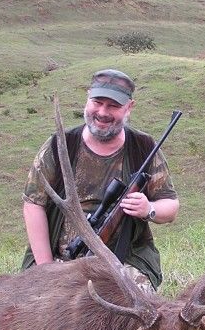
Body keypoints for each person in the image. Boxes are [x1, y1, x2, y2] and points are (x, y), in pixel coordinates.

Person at [21, 69, 179, 292]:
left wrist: (149, 208)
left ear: (129, 107)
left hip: (125, 262)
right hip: (58, 259)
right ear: (87, 99)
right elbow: (33, 205)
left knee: (134, 313)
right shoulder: (59, 146)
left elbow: (170, 206)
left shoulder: (143, 148)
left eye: (113, 106)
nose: (103, 112)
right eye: (97, 102)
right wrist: (46, 270)